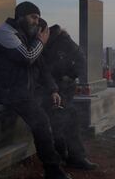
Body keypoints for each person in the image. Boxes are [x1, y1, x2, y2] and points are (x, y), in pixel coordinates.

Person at [0, 1, 76, 179]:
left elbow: (41, 65)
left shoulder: (25, 35)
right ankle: (53, 172)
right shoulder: (4, 32)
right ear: (21, 16)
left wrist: (53, 89)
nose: (36, 22)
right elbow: (28, 57)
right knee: (41, 122)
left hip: (24, 89)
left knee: (59, 113)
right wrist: (41, 42)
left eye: (37, 18)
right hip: (9, 90)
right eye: (33, 17)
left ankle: (66, 158)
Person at [39, 19, 98, 170]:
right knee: (59, 120)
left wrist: (69, 76)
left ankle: (75, 157)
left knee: (68, 118)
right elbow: (41, 69)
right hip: (43, 89)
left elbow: (80, 59)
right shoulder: (36, 42)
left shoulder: (63, 40)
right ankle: (64, 157)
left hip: (63, 88)